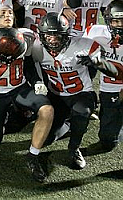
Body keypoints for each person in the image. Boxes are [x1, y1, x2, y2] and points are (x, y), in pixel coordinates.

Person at [0, 4, 54, 182]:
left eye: (10, 12)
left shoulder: (25, 35)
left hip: (20, 88)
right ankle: (8, 121)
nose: (8, 15)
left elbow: (30, 63)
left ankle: (33, 156)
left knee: (47, 110)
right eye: (2, 13)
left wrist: (38, 81)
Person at [34, 12, 120, 170]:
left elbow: (113, 72)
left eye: (57, 36)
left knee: (81, 112)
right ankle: (66, 123)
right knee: (47, 138)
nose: (52, 40)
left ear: (66, 35)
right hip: (56, 95)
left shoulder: (84, 45)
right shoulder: (36, 47)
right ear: (42, 35)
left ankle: (74, 149)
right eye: (48, 36)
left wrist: (98, 62)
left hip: (81, 93)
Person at [83, 0, 123, 151]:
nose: (119, 25)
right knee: (108, 138)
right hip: (108, 88)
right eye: (116, 21)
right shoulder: (96, 33)